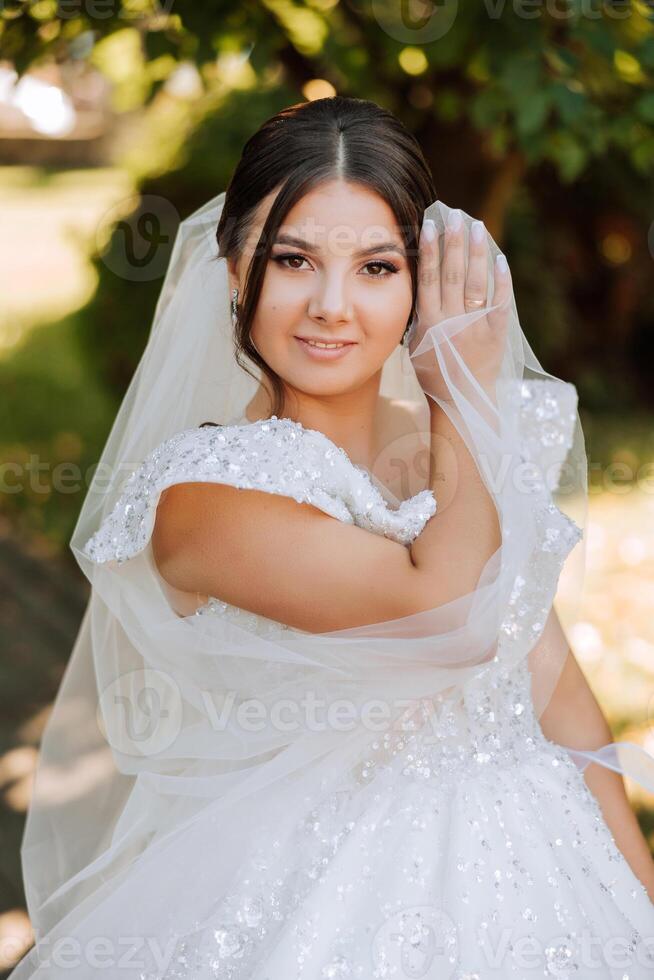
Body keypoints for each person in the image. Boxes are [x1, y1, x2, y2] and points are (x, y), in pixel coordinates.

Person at [10, 96, 654, 979]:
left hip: (547, 873)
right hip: (330, 903)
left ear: (420, 283)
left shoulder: (446, 443)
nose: (332, 306)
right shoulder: (205, 497)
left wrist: (639, 904)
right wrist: (460, 399)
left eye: (378, 267)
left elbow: (557, 693)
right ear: (237, 267)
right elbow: (449, 620)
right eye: (293, 260)